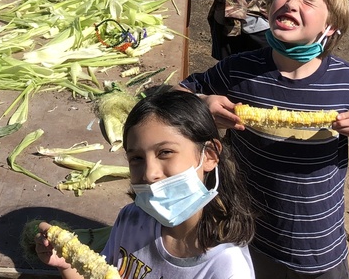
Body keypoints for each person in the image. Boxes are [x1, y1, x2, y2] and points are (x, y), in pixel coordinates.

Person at [181, 0, 349, 279]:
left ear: (330, 28)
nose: (291, 2)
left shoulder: (343, 80)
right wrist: (202, 103)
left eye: (308, 1)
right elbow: (177, 94)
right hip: (251, 232)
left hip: (318, 243)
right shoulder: (240, 69)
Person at [35, 89, 256, 279]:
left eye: (165, 152)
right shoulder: (131, 219)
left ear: (209, 155)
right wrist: (66, 264)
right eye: (137, 159)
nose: (150, 173)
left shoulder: (227, 267)